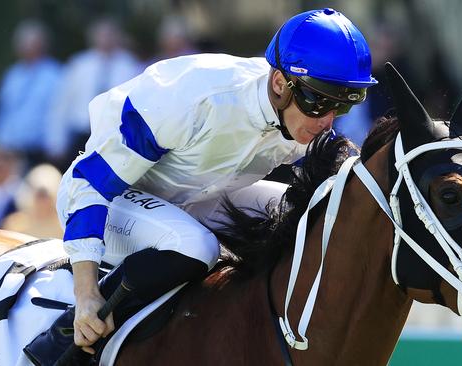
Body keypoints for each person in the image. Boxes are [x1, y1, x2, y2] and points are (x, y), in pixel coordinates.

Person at [24, 8, 377, 364]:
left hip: (193, 198)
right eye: (320, 101)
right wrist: (85, 294)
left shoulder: (303, 112)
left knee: (299, 212)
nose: (328, 120)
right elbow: (90, 183)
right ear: (279, 84)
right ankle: (66, 334)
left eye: (343, 105)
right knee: (197, 245)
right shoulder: (194, 99)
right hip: (106, 198)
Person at [46, 17, 141, 171]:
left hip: (115, 136)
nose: (106, 39)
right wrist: (56, 141)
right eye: (102, 35)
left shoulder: (129, 65)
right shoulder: (79, 64)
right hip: (82, 134)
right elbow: (62, 104)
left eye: (110, 34)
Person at [0, 19, 62, 167]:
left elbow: (58, 114)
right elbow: (4, 110)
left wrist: (56, 144)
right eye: (22, 42)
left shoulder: (55, 75)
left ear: (42, 44)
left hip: (40, 151)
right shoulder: (13, 75)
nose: (25, 47)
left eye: (30, 42)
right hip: (9, 150)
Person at [1, 163, 64, 238]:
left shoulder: (66, 227)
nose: (43, 202)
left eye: (45, 196)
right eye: (39, 195)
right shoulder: (15, 224)